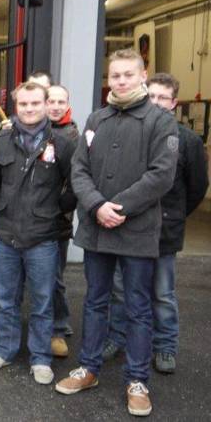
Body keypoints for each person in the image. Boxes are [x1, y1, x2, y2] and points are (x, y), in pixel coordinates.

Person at [55, 50, 179, 418]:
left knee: (138, 307)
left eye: (128, 74)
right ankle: (89, 367)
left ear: (143, 76)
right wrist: (97, 206)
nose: (121, 81)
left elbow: (161, 176)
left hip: (136, 230)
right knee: (95, 301)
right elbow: (79, 169)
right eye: (115, 75)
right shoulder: (97, 118)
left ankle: (137, 381)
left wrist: (118, 208)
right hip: (98, 227)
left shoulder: (160, 121)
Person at [102, 73, 208, 374]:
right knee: (120, 289)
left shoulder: (188, 141)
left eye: (164, 98)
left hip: (164, 231)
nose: (157, 102)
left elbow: (197, 188)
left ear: (174, 103)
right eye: (152, 96)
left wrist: (174, 216)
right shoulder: (131, 131)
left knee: (162, 293)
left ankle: (165, 347)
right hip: (128, 227)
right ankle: (117, 337)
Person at [0, 81, 76, 385]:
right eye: (23, 104)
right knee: (5, 299)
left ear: (46, 104)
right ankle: (5, 351)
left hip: (43, 238)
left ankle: (40, 358)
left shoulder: (62, 144)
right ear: (16, 106)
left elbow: (75, 184)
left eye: (35, 103)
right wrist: (6, 207)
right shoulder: (2, 142)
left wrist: (54, 209)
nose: (29, 109)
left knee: (42, 301)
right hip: (7, 236)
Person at [45, 84, 80, 357]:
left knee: (55, 277)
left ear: (68, 104)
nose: (56, 106)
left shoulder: (73, 137)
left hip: (58, 221)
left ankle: (58, 327)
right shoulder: (33, 131)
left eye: (61, 101)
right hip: (31, 220)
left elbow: (76, 181)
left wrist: (61, 208)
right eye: (52, 101)